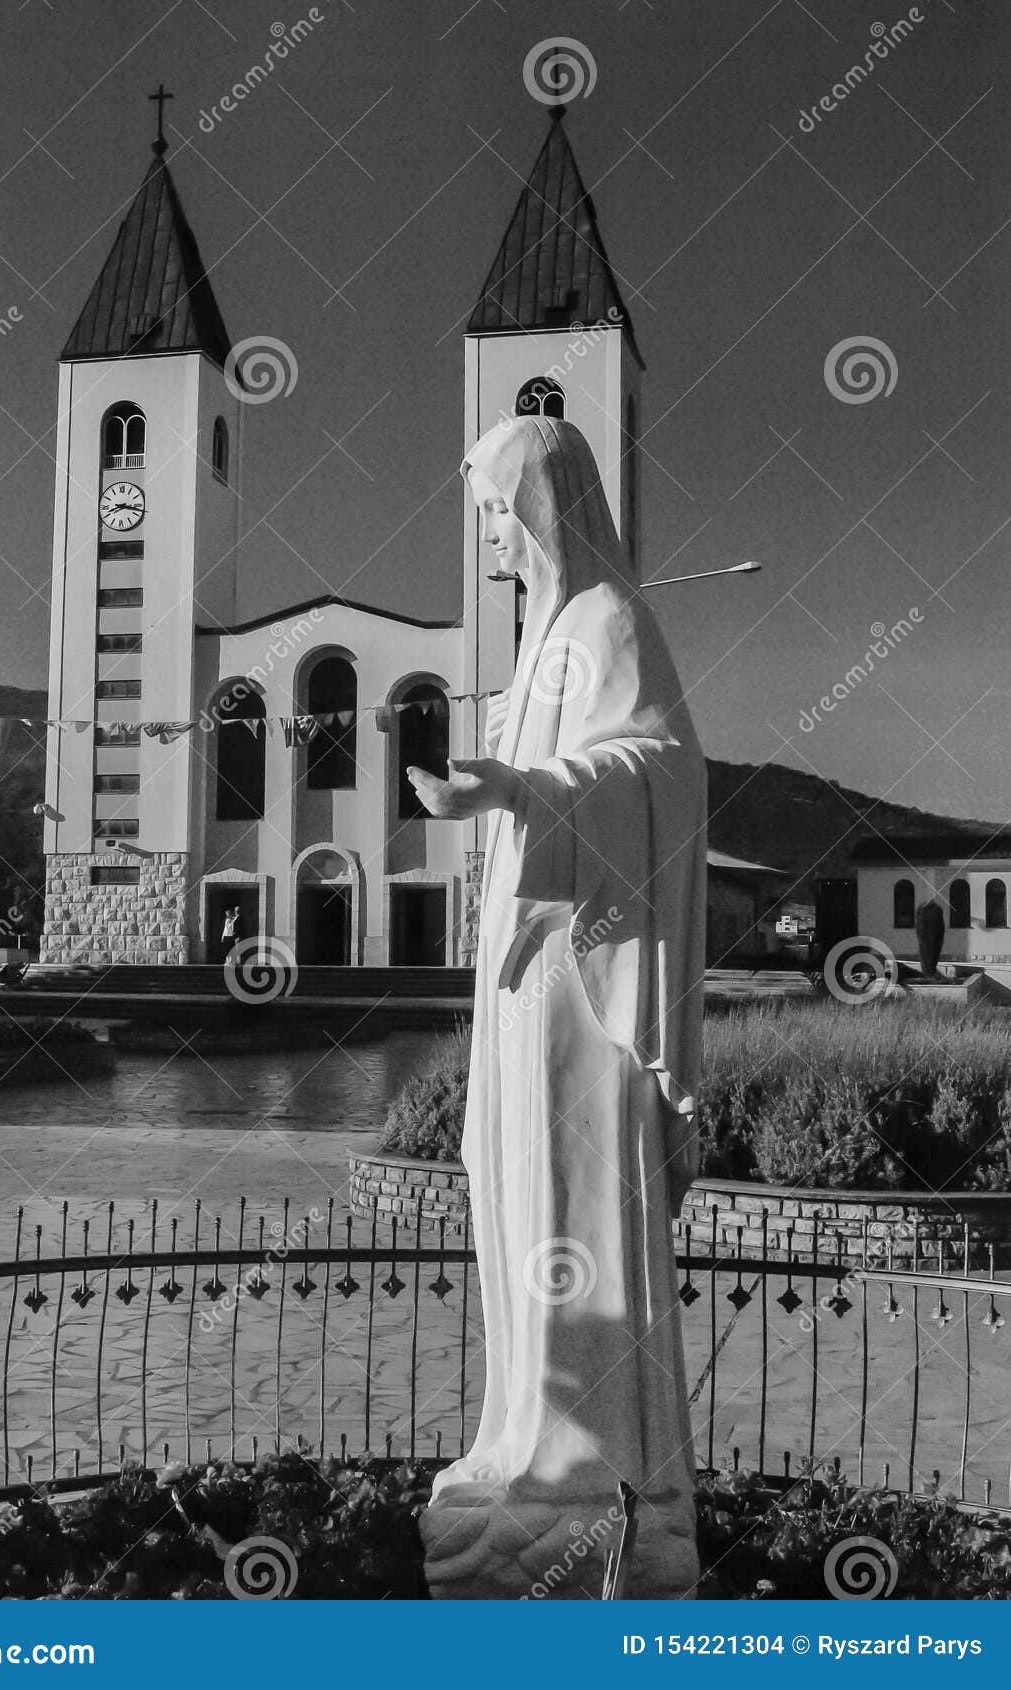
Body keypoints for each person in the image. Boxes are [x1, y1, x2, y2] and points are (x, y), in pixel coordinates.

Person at [410, 417, 707, 1600]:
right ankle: (527, 1434)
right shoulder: (542, 640)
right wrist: (496, 789)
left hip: (589, 986)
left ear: (545, 504)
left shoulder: (610, 622)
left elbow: (663, 774)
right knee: (515, 1186)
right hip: (525, 975)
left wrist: (527, 786)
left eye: (497, 509)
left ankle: (596, 1462)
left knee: (571, 1190)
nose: (491, 534)